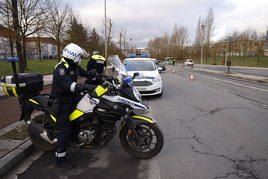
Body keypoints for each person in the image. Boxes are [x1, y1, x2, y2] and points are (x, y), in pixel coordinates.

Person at [50, 43, 97, 168]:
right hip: (60, 102)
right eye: (79, 56)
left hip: (71, 97)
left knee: (91, 104)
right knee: (65, 130)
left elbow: (87, 74)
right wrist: (85, 86)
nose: (80, 59)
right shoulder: (60, 68)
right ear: (73, 56)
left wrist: (101, 77)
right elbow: (68, 84)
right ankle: (60, 159)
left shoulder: (73, 66)